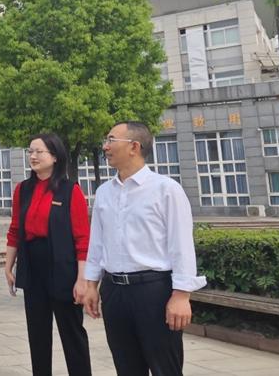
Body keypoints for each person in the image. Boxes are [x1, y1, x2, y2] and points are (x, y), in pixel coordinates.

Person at [81, 121, 206, 376]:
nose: (105, 146)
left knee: (165, 368)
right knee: (126, 367)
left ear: (134, 147)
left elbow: (181, 245)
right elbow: (97, 243)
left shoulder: (166, 189)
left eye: (111, 140)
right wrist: (91, 284)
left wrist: (181, 295)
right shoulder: (104, 192)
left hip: (153, 292)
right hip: (114, 291)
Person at [4, 133, 92, 376]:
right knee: (37, 334)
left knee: (72, 333)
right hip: (33, 267)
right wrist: (8, 266)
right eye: (30, 151)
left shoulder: (70, 190)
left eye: (39, 151)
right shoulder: (23, 189)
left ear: (54, 157)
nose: (33, 156)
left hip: (63, 268)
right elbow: (15, 229)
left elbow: (82, 238)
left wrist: (82, 279)